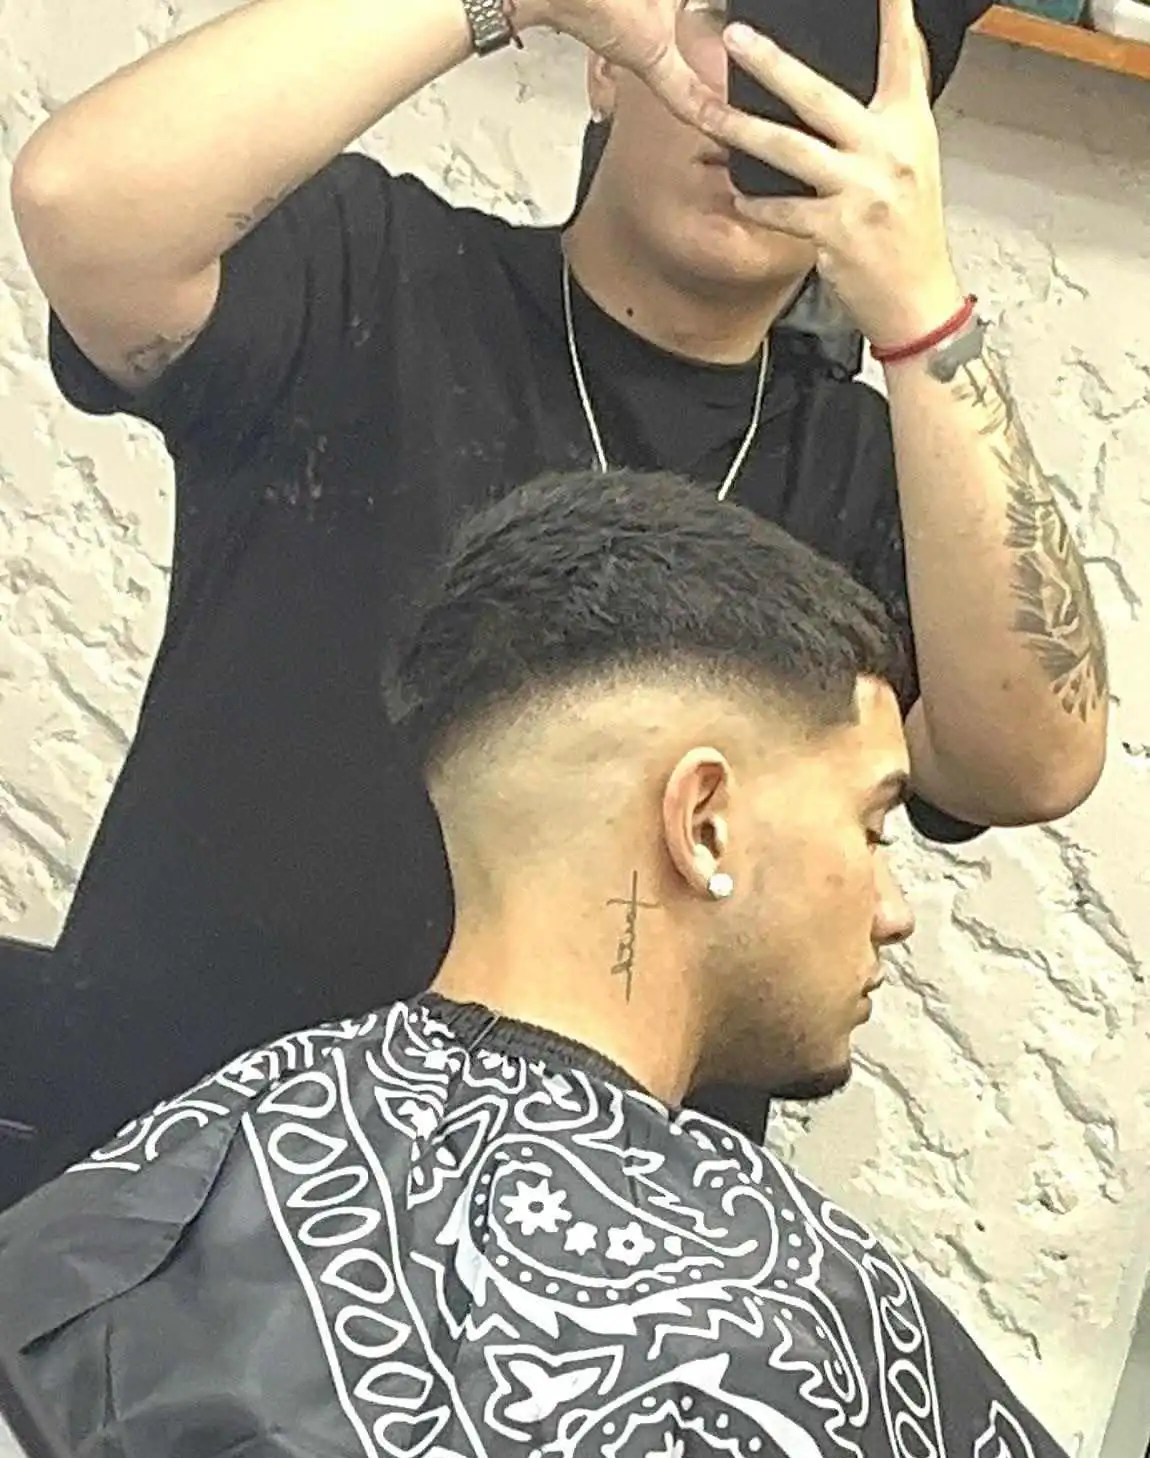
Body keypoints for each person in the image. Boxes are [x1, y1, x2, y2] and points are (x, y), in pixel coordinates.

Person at [0, 474, 1142, 1458]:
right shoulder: (790, 1327)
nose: (891, 908)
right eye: (874, 822)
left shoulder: (168, 1171)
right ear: (704, 818)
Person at [9, 0, 1107, 1176]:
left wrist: (922, 305)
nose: (761, 83)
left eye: (834, 59)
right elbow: (82, 208)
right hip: (161, 1198)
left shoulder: (866, 479)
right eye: (724, 17)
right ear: (603, 64)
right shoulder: (374, 275)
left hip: (584, 1253)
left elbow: (1031, 762)